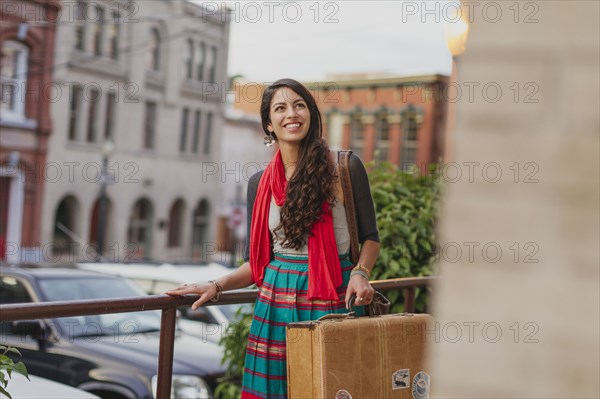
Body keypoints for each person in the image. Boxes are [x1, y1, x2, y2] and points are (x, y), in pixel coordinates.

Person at [166, 78, 380, 398]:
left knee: (335, 387)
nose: (291, 114)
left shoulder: (345, 168)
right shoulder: (259, 183)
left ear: (311, 114)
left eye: (299, 105)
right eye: (280, 108)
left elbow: (371, 238)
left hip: (334, 293)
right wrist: (217, 285)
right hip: (274, 299)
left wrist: (361, 273)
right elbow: (256, 264)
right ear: (269, 124)